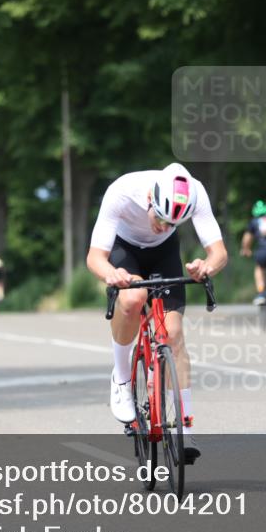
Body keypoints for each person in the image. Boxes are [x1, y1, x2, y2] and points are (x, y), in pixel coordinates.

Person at [86, 162, 228, 465]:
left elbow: (219, 252)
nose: (163, 227)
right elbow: (95, 257)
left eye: (172, 224)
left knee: (174, 334)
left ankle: (185, 428)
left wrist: (205, 266)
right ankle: (122, 379)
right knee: (133, 299)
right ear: (151, 200)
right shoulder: (122, 193)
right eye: (160, 219)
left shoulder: (195, 193)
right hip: (125, 251)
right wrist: (112, 274)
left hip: (164, 255)